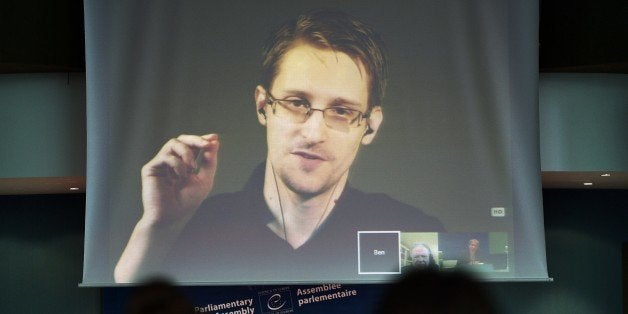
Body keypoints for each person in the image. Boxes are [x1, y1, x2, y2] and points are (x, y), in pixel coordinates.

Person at [114, 9, 443, 283]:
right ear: (263, 106)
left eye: (342, 111)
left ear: (369, 126)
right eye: (296, 102)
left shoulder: (415, 233)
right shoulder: (188, 229)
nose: (313, 132)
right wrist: (159, 228)